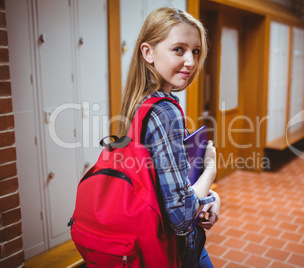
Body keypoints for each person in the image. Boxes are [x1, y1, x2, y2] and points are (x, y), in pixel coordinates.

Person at [117, 7, 221, 268]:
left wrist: (212, 198)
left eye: (195, 51)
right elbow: (182, 218)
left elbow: (169, 187)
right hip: (176, 252)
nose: (191, 61)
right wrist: (210, 170)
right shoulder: (165, 111)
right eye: (179, 49)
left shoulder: (140, 103)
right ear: (148, 52)